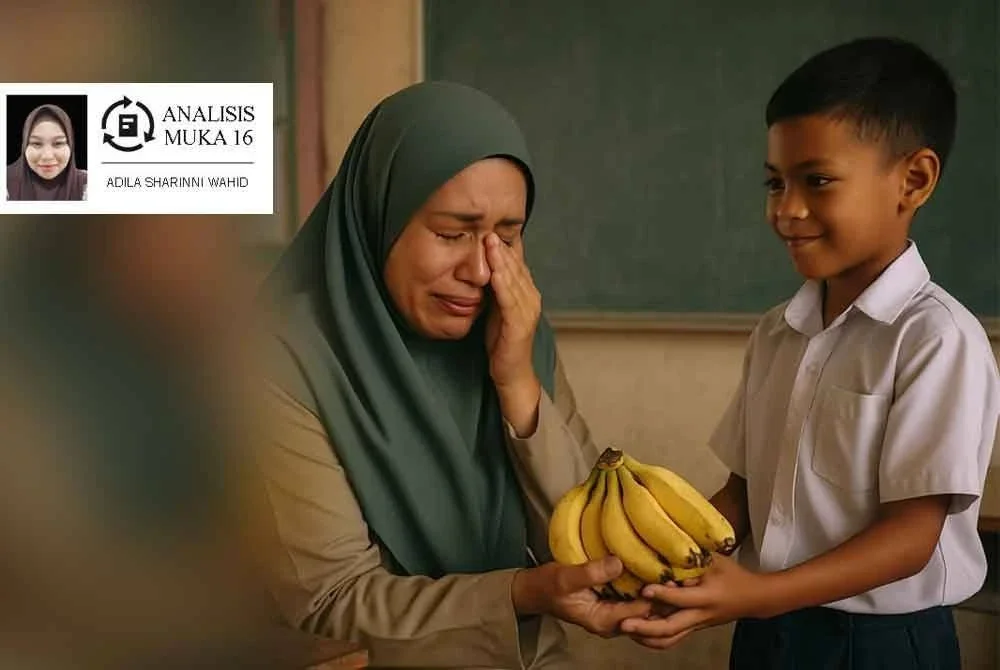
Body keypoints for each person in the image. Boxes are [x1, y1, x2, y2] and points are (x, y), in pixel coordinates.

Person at [621, 37, 1000, 669]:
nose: (787, 210)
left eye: (817, 181)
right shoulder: (776, 331)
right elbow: (742, 493)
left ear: (914, 180)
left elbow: (911, 538)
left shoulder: (937, 340)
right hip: (766, 631)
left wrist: (760, 594)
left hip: (883, 645)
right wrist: (671, 575)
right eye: (775, 183)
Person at [252, 80, 651, 669]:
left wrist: (519, 385)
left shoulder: (514, 333)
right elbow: (330, 597)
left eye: (508, 237)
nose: (482, 270)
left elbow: (587, 538)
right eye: (451, 233)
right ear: (380, 217)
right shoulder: (281, 361)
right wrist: (521, 593)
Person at [5, 103, 87, 201]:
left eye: (58, 143)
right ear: (24, 146)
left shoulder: (88, 185)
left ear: (70, 145)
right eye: (36, 143)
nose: (47, 156)